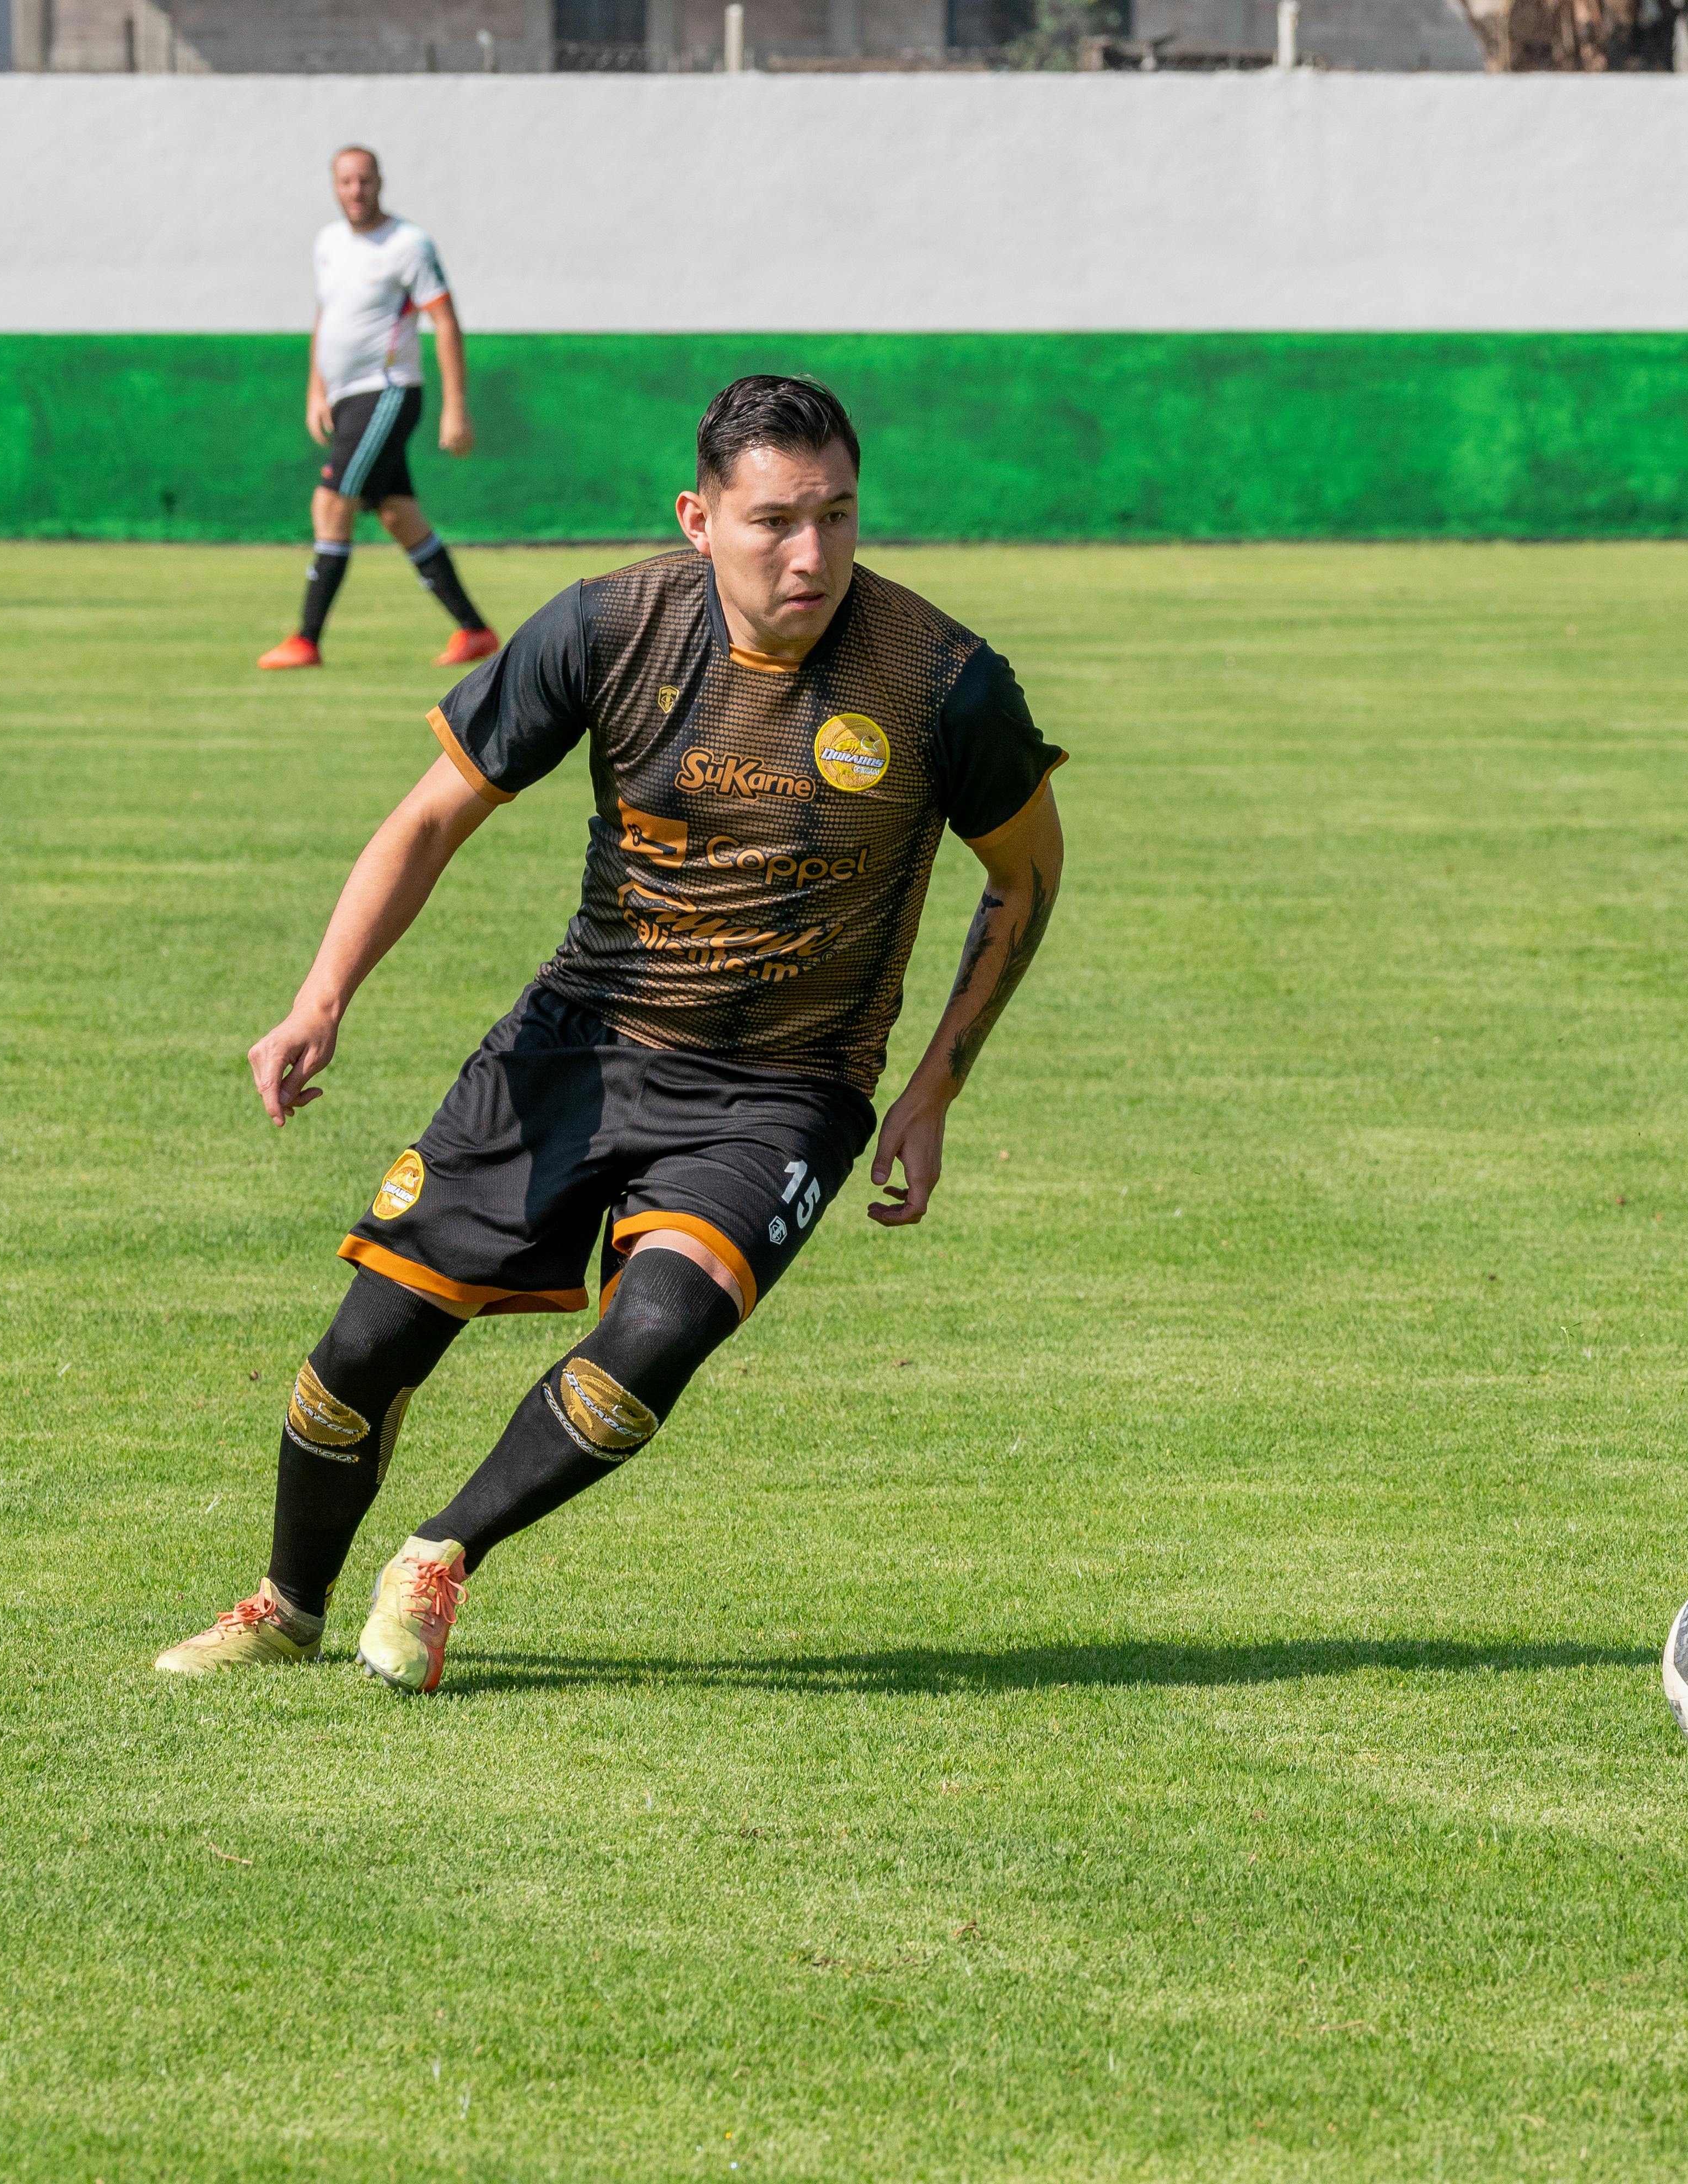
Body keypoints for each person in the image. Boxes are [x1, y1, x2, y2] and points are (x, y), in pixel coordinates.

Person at [162, 376, 1067, 1693]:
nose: (810, 554)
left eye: (836, 516)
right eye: (773, 522)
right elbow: (429, 819)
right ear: (699, 518)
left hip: (784, 1087)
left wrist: (936, 1089)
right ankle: (284, 1605)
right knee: (363, 1349)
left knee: (661, 1325)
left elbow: (1026, 874)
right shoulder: (608, 626)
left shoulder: (942, 683)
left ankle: (440, 1555)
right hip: (576, 1044)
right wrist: (321, 995)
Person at [258, 146, 499, 673]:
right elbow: (327, 318)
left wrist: (455, 407)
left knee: (330, 503)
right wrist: (316, 390)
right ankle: (476, 632)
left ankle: (306, 639)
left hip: (388, 391)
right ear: (335, 186)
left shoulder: (408, 245)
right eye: (345, 182)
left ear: (380, 183)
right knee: (397, 514)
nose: (356, 191)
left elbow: (446, 322)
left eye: (364, 180)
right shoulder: (328, 243)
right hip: (344, 398)